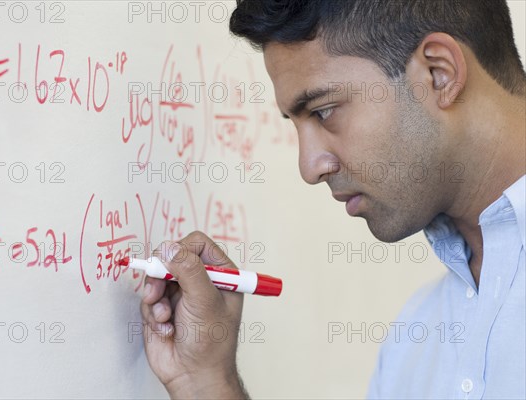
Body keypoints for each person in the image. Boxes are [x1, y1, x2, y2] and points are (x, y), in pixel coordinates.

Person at [140, 0, 526, 398]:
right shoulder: (417, 337)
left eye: (323, 112)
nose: (310, 168)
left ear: (438, 74)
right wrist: (205, 382)